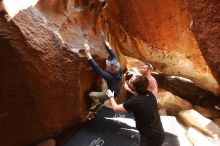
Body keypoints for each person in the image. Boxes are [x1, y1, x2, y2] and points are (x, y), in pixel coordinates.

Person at [106, 75, 165, 146]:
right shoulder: (150, 95)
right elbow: (139, 96)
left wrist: (111, 96)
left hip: (149, 138)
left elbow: (116, 109)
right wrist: (128, 89)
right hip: (160, 133)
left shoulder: (134, 102)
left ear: (134, 87)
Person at [84, 42, 122, 110]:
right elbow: (113, 55)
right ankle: (101, 99)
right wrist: (108, 46)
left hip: (112, 93)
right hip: (115, 87)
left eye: (108, 66)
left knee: (91, 95)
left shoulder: (110, 77)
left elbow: (97, 68)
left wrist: (87, 54)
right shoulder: (117, 65)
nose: (106, 65)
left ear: (113, 70)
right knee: (100, 84)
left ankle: (97, 104)